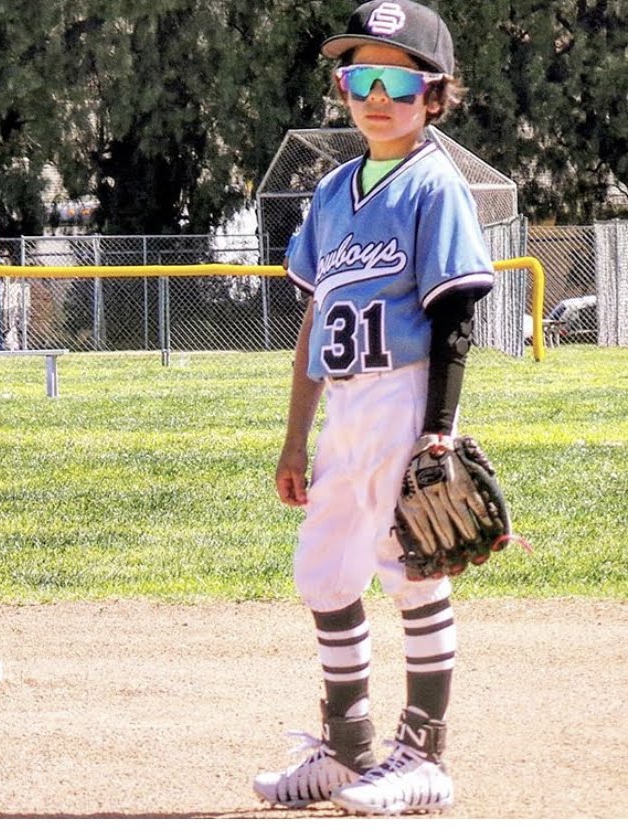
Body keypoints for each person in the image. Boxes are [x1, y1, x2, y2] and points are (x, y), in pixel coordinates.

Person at [253, 0, 496, 816]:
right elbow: (316, 322)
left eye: (396, 79)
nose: (375, 96)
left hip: (405, 392)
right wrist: (294, 438)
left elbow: (455, 317)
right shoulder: (329, 193)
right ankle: (346, 743)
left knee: (410, 561)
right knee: (324, 567)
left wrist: (436, 431)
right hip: (347, 406)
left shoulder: (435, 185)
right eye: (360, 78)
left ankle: (424, 754)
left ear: (432, 95)